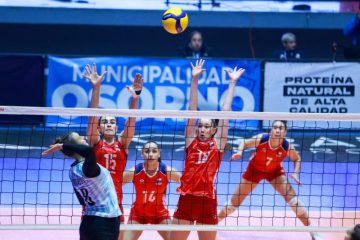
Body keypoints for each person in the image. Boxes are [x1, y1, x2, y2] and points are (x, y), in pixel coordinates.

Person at [171, 59, 245, 240]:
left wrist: (232, 83)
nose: (202, 129)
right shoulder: (190, 141)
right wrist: (194, 80)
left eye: (207, 127)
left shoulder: (218, 144)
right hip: (187, 199)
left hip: (207, 201)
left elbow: (225, 114)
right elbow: (191, 109)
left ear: (213, 130)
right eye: (200, 126)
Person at [217, 120, 321, 240]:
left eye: (281, 128)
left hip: (274, 172)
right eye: (275, 127)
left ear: (285, 132)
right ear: (271, 130)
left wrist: (295, 174)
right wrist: (239, 152)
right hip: (254, 171)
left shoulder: (286, 146)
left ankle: (313, 232)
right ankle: (214, 223)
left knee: (295, 202)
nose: (277, 130)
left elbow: (297, 158)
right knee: (232, 205)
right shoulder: (262, 139)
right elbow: (244, 142)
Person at [83, 63, 143, 240]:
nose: (109, 124)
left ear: (117, 127)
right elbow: (92, 117)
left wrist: (136, 97)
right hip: (95, 201)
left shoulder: (122, 143)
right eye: (105, 122)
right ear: (100, 128)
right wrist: (96, 87)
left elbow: (131, 123)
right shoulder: (95, 142)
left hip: (115, 202)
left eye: (112, 122)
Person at [42, 132, 121, 240]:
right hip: (104, 223)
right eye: (80, 138)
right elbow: (89, 152)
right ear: (76, 147)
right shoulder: (88, 167)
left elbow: (82, 200)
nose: (84, 138)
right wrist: (62, 146)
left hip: (88, 222)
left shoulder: (73, 171)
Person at [121, 141, 181, 240]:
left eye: (154, 151)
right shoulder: (135, 171)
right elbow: (115, 186)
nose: (150, 154)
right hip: (138, 215)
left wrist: (180, 206)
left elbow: (187, 184)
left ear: (159, 154)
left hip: (160, 215)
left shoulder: (167, 171)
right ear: (142, 154)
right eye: (147, 151)